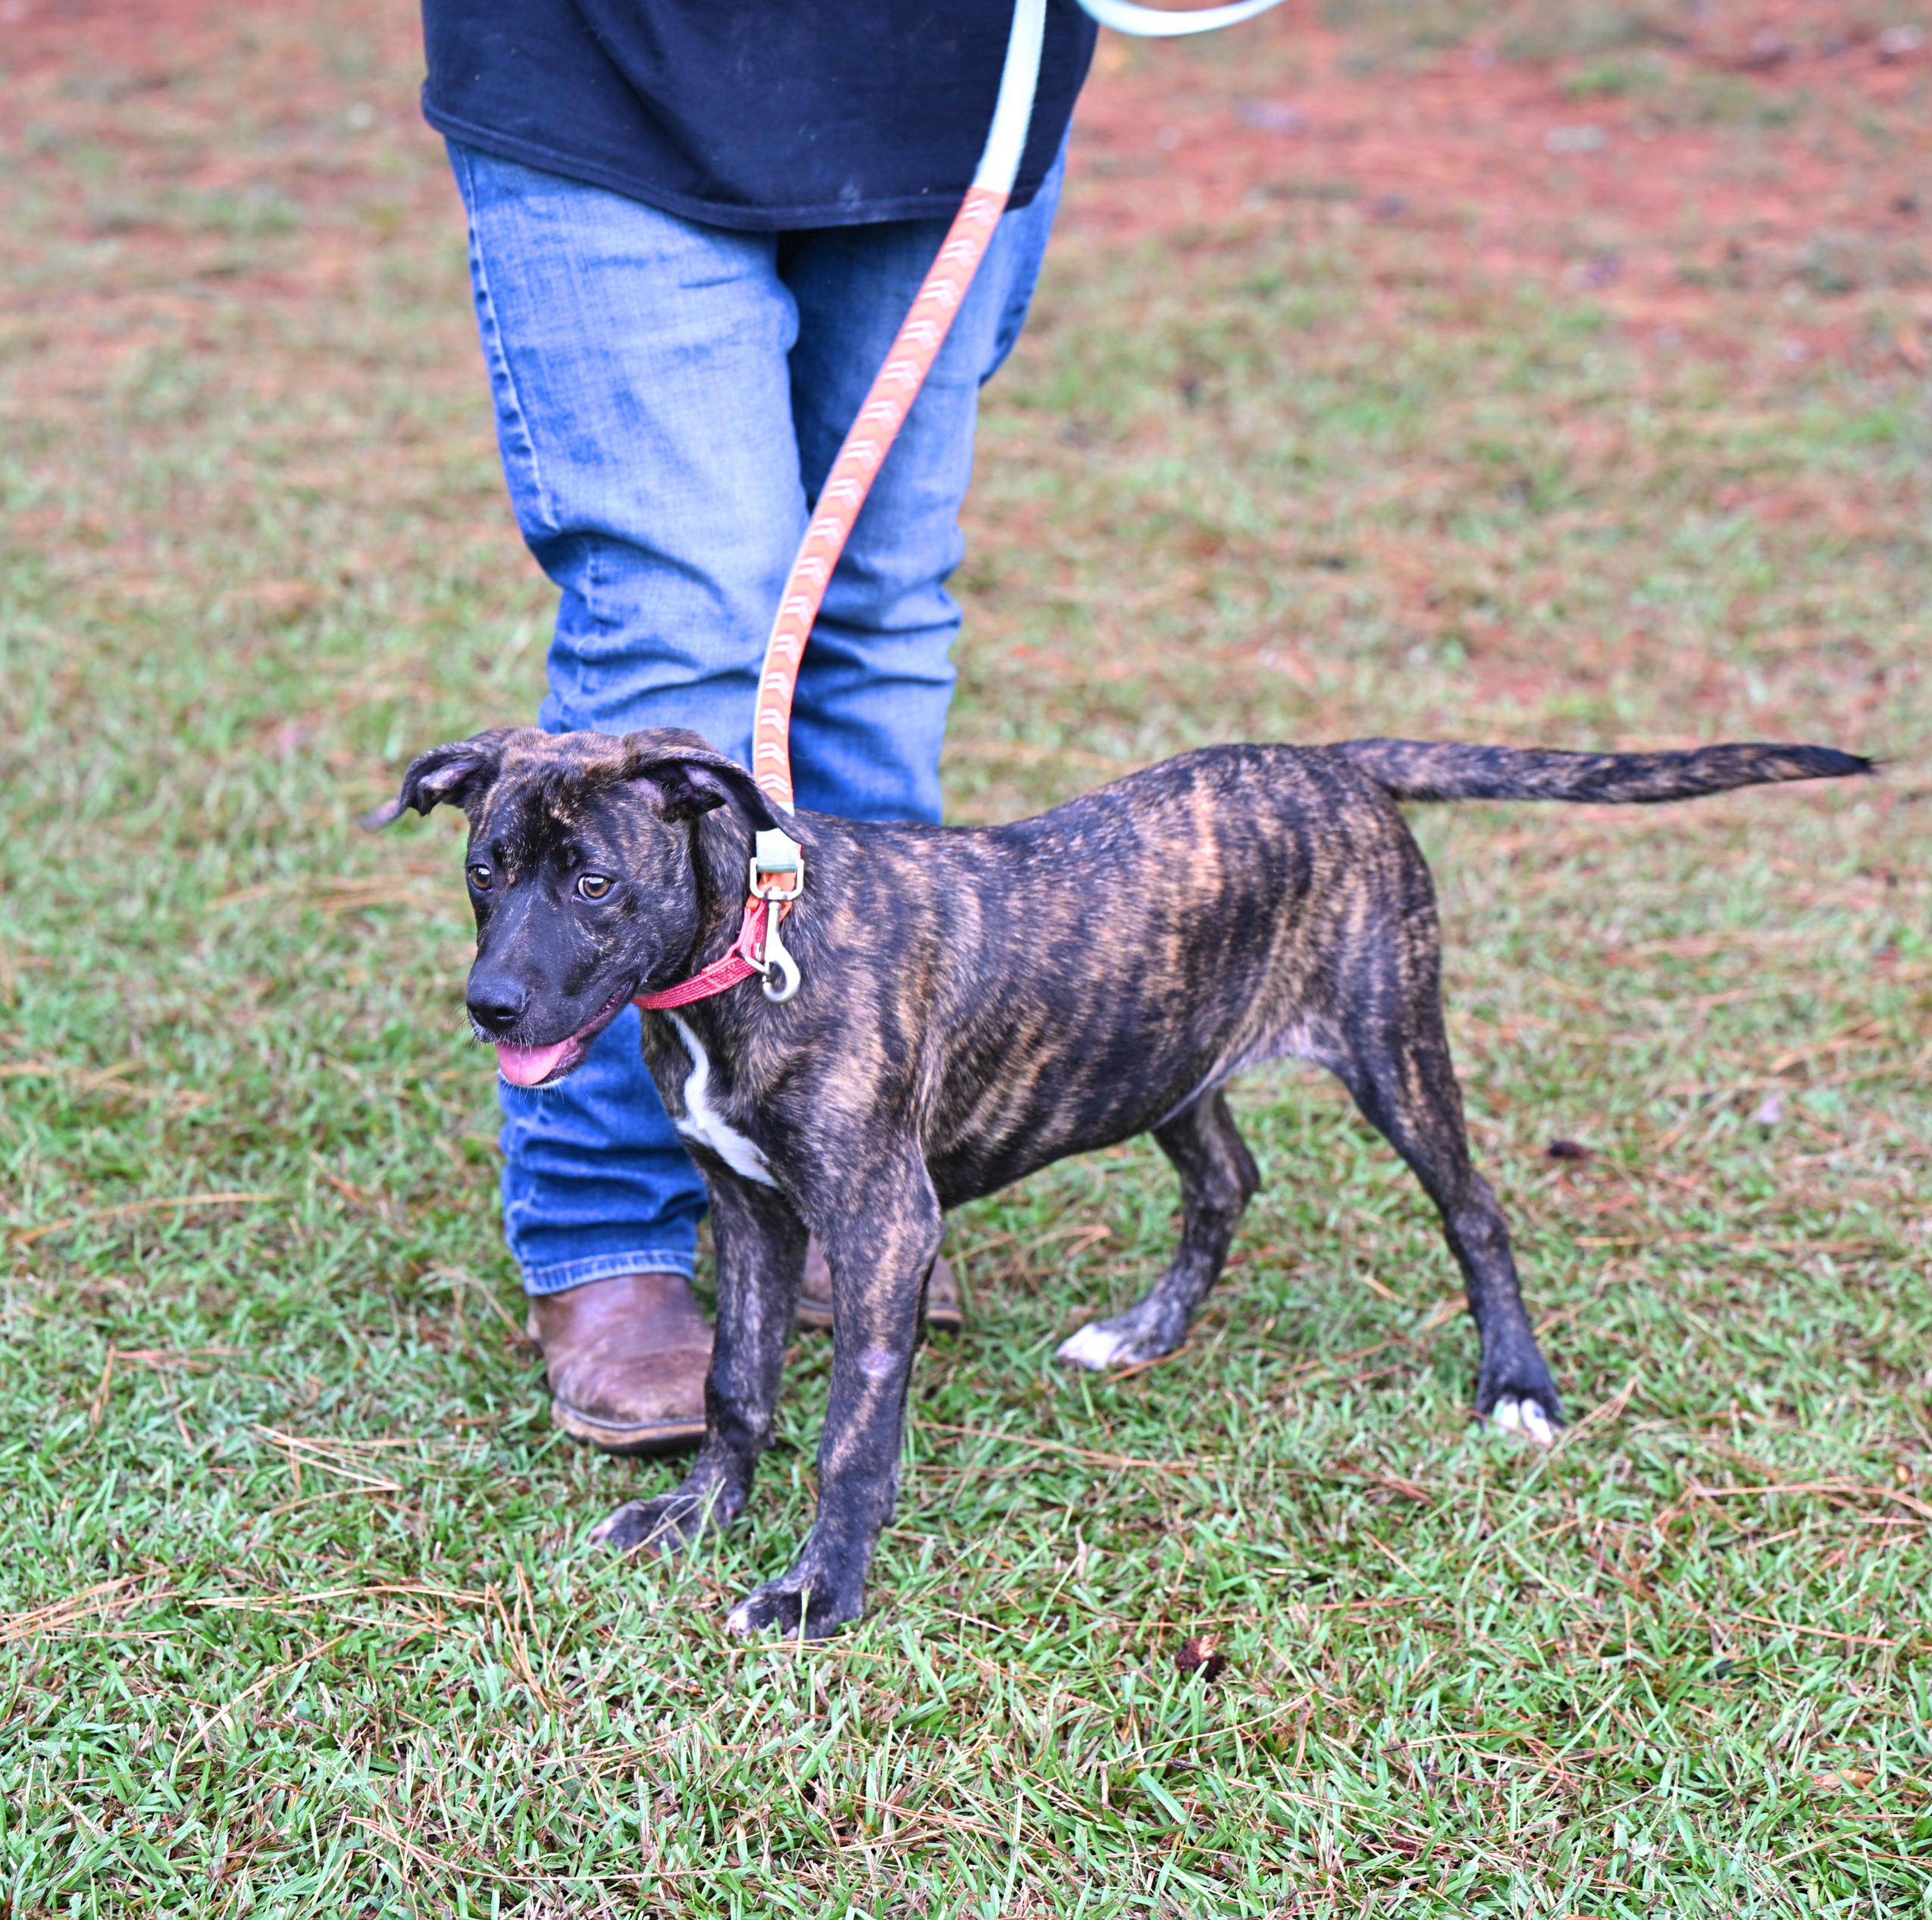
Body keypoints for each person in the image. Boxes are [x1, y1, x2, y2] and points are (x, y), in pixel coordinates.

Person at [419, 3, 1098, 1453]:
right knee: (679, 627)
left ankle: (843, 1160)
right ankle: (609, 1230)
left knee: (876, 611)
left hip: (944, 86)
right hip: (612, 71)